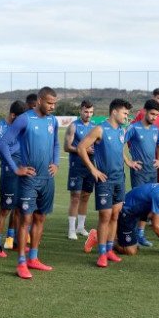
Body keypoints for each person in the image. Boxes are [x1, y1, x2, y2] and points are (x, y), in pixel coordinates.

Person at [0, 87, 58, 280]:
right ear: (39, 100)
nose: (52, 107)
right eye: (49, 103)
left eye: (54, 103)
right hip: (28, 180)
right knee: (25, 220)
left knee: (40, 218)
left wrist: (56, 163)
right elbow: (3, 143)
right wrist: (16, 168)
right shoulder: (24, 119)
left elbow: (56, 143)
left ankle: (33, 258)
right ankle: (21, 262)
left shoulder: (53, 121)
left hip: (47, 179)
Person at [77, 99, 136, 267]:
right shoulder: (100, 129)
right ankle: (102, 253)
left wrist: (127, 161)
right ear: (114, 112)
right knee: (105, 216)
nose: (126, 116)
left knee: (115, 215)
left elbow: (118, 148)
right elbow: (81, 148)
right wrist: (93, 170)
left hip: (120, 179)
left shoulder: (121, 131)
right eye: (124, 113)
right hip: (105, 180)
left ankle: (109, 250)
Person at [125, 99, 159, 247]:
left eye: (157, 115)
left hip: (151, 172)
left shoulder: (156, 130)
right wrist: (129, 162)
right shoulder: (133, 128)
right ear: (145, 111)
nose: (154, 117)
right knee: (138, 203)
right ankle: (131, 233)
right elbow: (120, 143)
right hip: (139, 172)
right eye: (152, 114)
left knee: (147, 204)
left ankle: (140, 234)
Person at [0, 100, 26, 257]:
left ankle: (13, 241)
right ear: (13, 115)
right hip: (9, 172)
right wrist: (19, 145)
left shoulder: (21, 127)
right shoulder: (0, 128)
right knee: (5, 209)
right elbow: (5, 150)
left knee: (19, 208)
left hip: (23, 171)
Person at [65, 100, 96, 240]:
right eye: (86, 111)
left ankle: (81, 227)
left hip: (90, 166)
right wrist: (83, 150)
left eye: (91, 112)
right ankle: (71, 230)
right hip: (76, 166)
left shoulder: (95, 127)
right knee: (75, 197)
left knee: (85, 196)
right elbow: (67, 147)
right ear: (80, 111)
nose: (88, 114)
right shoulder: (73, 126)